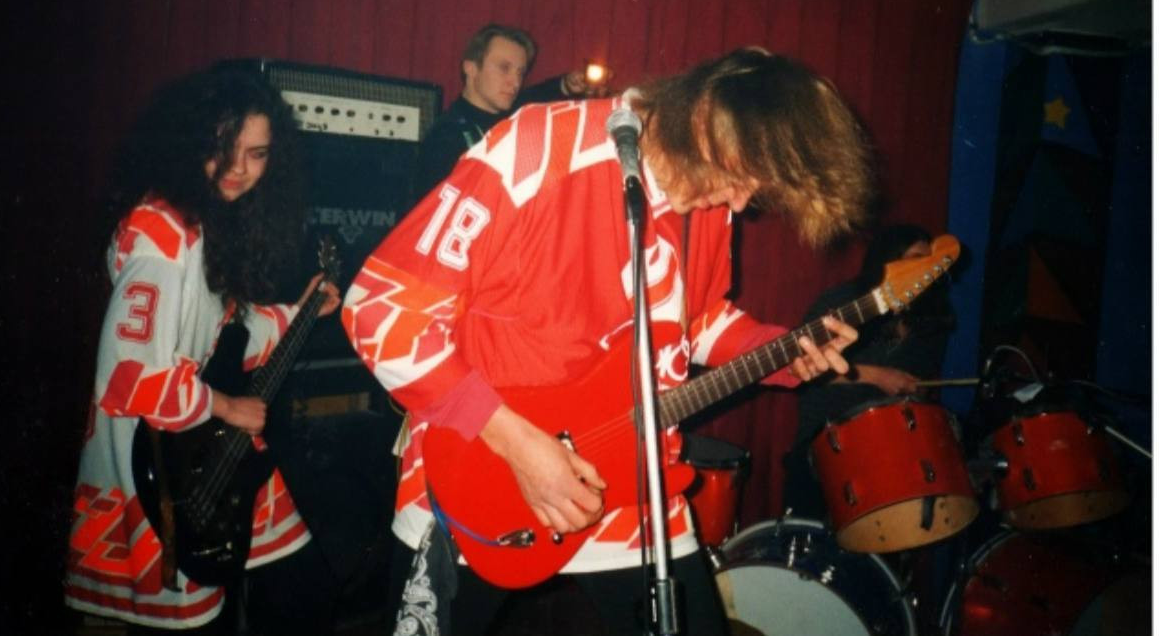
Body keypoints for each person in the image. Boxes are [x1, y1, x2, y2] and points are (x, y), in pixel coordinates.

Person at [342, 47, 875, 635]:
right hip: (477, 476)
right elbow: (380, 311)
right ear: (704, 120)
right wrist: (520, 446)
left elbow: (694, 325)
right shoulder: (536, 148)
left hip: (633, 485)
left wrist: (783, 354)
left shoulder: (710, 199)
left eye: (757, 189)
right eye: (740, 178)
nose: (742, 203)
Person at [64, 67, 342, 634]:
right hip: (159, 464)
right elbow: (128, 376)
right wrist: (227, 406)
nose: (238, 169)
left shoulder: (203, 222)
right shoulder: (160, 232)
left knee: (299, 587)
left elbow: (225, 330)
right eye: (223, 148)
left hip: (199, 447)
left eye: (256, 154)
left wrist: (301, 311)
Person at [782, 223, 957, 519]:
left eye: (931, 263)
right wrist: (879, 376)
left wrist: (917, 390)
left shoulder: (930, 321)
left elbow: (923, 386)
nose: (926, 269)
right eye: (916, 259)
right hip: (826, 445)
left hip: (891, 450)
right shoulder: (844, 302)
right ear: (889, 260)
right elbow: (800, 370)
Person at [415, 22, 603, 198]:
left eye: (520, 73)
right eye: (504, 68)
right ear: (471, 68)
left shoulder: (513, 115)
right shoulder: (445, 137)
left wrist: (566, 86)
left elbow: (538, 96)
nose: (515, 82)